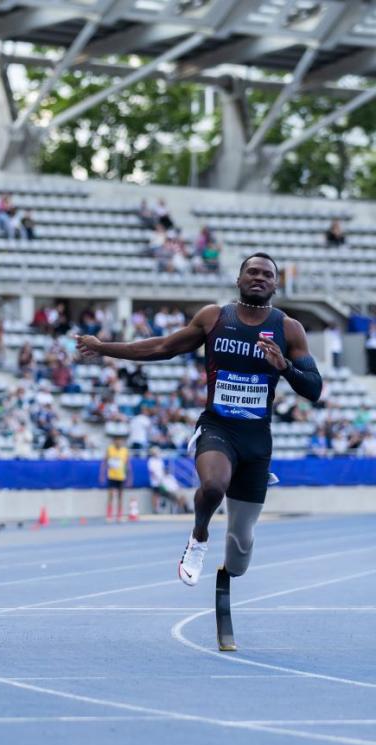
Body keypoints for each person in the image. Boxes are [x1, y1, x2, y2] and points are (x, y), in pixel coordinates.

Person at [78, 253, 322, 646]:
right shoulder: (214, 318)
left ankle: (228, 568)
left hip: (257, 441)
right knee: (212, 486)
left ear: (276, 285)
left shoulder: (289, 329)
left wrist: (284, 368)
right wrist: (105, 347)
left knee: (241, 549)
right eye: (252, 272)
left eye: (267, 275)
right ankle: (199, 537)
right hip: (217, 427)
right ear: (238, 278)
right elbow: (162, 348)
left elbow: (314, 388)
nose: (259, 278)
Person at [147, 446, 190, 513]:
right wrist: (157, 479)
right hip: (155, 482)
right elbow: (152, 472)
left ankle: (184, 509)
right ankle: (155, 509)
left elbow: (162, 470)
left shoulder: (160, 460)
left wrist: (163, 479)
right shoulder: (151, 461)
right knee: (155, 495)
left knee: (170, 495)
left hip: (162, 481)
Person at [101, 435, 130, 523]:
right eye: (117, 441)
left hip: (121, 476)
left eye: (120, 441)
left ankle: (119, 515)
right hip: (112, 476)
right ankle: (109, 515)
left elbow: (127, 465)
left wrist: (129, 477)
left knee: (120, 496)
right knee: (110, 496)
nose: (118, 442)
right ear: (114, 442)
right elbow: (104, 462)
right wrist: (102, 474)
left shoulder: (125, 451)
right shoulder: (110, 449)